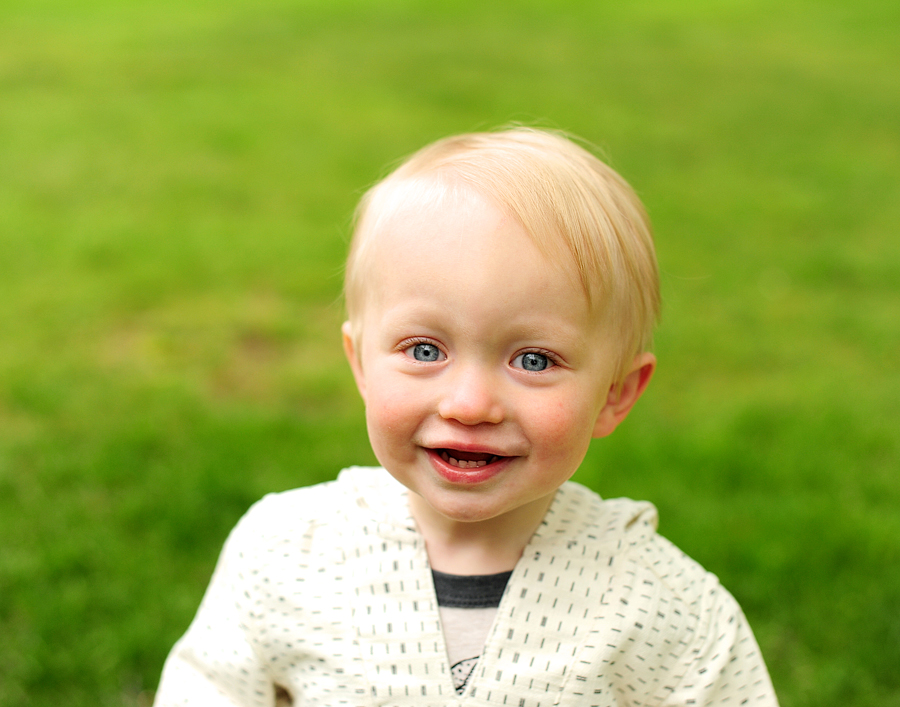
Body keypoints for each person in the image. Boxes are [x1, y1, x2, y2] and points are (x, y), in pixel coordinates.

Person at [154, 128, 778, 706]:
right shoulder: (288, 554)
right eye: (425, 351)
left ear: (616, 393)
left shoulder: (659, 605)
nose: (470, 404)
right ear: (361, 363)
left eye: (533, 359)